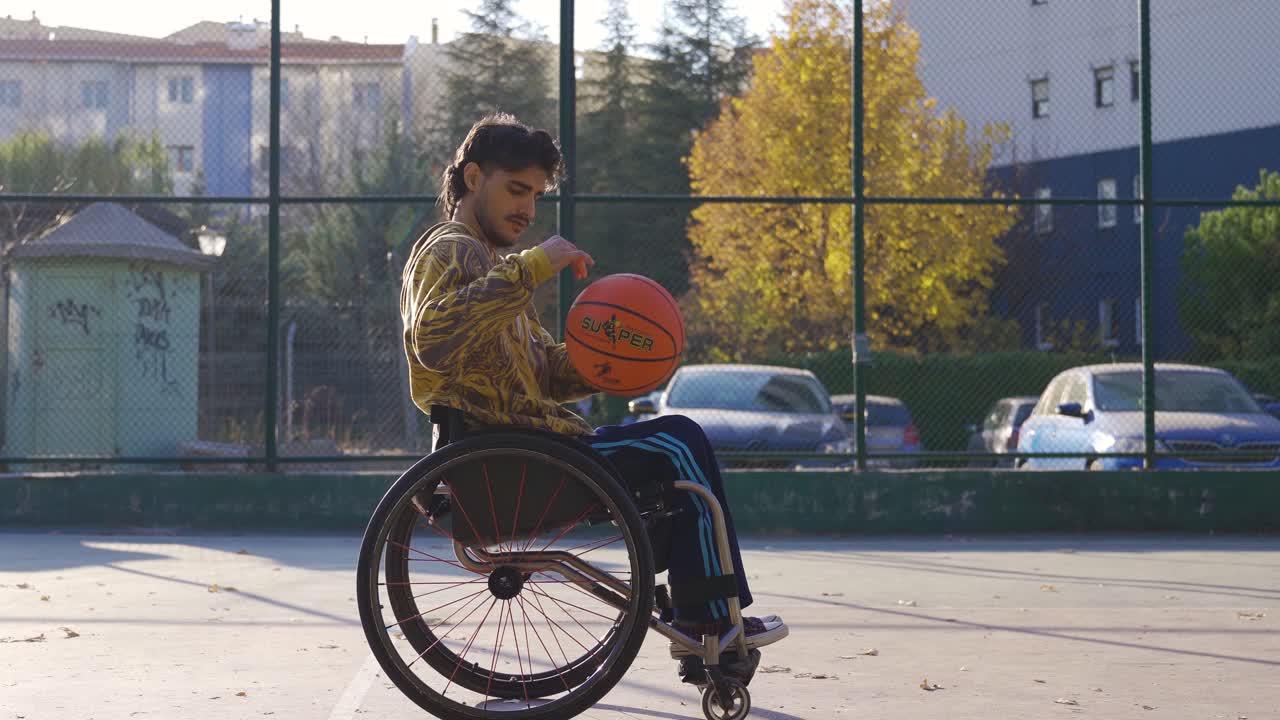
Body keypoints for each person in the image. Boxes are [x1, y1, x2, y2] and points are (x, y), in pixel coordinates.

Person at [399, 113, 787, 683]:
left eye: (536, 195)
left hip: (529, 452)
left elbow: (542, 374)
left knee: (676, 448)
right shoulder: (452, 250)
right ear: (473, 177)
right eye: (516, 189)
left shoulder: (491, 268)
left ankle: (704, 621)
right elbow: (431, 340)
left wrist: (610, 360)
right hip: (511, 460)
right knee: (679, 442)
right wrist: (533, 267)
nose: (528, 209)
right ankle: (711, 623)